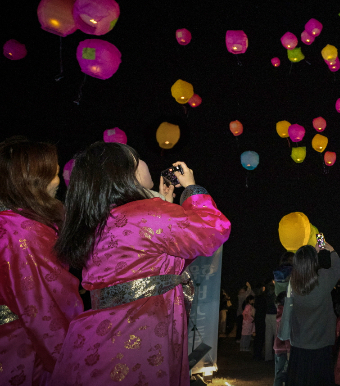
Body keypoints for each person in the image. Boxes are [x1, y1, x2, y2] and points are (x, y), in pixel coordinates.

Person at [51, 142, 231, 385]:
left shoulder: (100, 220)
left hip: (100, 340)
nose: (145, 163)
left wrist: (166, 205)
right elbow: (214, 229)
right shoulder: (147, 213)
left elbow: (161, 263)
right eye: (138, 159)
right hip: (139, 339)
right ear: (126, 173)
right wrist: (192, 188)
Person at [0, 137, 83, 386]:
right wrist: (74, 360)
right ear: (34, 182)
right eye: (55, 174)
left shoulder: (11, 221)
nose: (59, 183)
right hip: (23, 351)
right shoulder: (23, 232)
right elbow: (47, 308)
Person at [286, 240, 340, 386]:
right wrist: (331, 250)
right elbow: (337, 268)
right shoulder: (323, 279)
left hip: (299, 345)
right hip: (320, 345)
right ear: (314, 262)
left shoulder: (293, 282)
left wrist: (311, 255)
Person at [273, 291, 290, 386]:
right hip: (284, 348)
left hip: (278, 347)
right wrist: (288, 349)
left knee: (278, 373)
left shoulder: (279, 311)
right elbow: (286, 333)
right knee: (282, 374)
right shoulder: (286, 314)